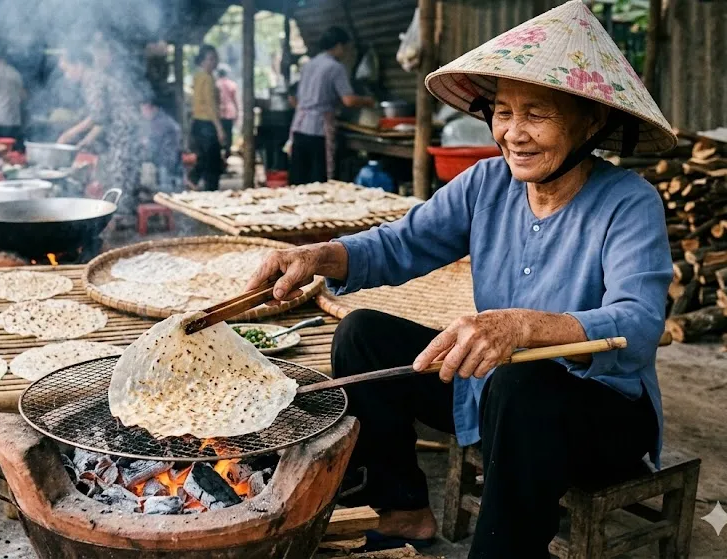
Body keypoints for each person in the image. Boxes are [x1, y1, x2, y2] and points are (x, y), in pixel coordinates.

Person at [246, 2, 675, 557]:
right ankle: (405, 511)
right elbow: (401, 244)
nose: (513, 134)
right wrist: (317, 255)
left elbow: (638, 324)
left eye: (536, 114)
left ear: (590, 121)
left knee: (524, 383)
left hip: (600, 415)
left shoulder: (630, 203)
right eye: (502, 111)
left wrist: (523, 327)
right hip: (492, 389)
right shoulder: (486, 184)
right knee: (362, 335)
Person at [56, 45, 145, 228]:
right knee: (122, 173)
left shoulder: (93, 80)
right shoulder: (95, 78)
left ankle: (123, 221)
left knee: (121, 174)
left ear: (78, 64)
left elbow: (98, 116)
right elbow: (102, 121)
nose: (67, 75)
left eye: (66, 70)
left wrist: (68, 134)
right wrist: (85, 141)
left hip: (124, 132)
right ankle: (123, 218)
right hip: (125, 131)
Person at [288, 26, 373, 185]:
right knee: (318, 179)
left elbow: (295, 98)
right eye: (346, 48)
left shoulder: (309, 64)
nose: (347, 52)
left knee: (299, 177)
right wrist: (369, 101)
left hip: (299, 126)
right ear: (339, 46)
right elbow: (348, 100)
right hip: (318, 129)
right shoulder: (335, 67)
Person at [189, 45, 225, 191]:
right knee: (213, 163)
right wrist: (219, 128)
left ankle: (193, 180)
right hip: (207, 125)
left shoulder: (197, 76)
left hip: (197, 124)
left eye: (215, 58)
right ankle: (211, 193)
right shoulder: (207, 78)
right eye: (210, 59)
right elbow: (210, 105)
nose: (213, 62)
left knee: (203, 159)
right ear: (202, 61)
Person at [140, 97, 182, 194]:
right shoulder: (160, 119)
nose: (143, 114)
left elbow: (152, 145)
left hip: (166, 163)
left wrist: (144, 143)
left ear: (151, 108)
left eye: (144, 111)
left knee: (165, 193)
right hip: (167, 161)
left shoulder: (161, 122)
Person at [216, 64, 239, 167]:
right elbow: (235, 100)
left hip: (219, 113)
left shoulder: (216, 84)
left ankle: (220, 157)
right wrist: (238, 112)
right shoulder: (232, 85)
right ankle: (226, 154)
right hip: (230, 113)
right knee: (228, 135)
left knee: (219, 135)